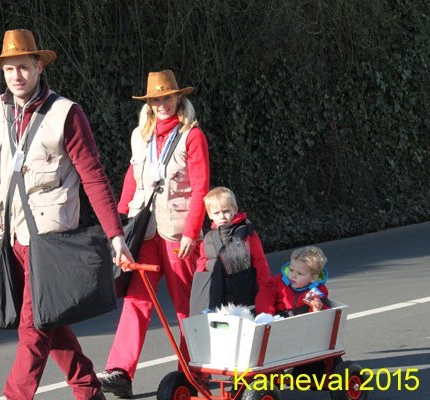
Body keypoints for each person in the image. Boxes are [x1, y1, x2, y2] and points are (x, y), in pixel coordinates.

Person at [0, 29, 131, 400]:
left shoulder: (66, 113)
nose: (16, 75)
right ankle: (88, 389)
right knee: (50, 318)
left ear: (39, 67)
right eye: (9, 68)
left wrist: (115, 236)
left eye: (23, 67)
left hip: (51, 239)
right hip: (10, 235)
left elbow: (93, 176)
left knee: (33, 328)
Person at [98, 70, 210, 398]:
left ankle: (193, 370)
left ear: (178, 98)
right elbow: (132, 178)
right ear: (148, 103)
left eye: (167, 97)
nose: (162, 104)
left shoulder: (192, 135)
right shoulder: (140, 135)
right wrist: (118, 225)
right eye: (155, 99)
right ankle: (120, 371)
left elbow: (201, 186)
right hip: (144, 230)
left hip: (178, 233)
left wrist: (191, 232)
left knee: (185, 305)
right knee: (136, 300)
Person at [190, 187, 272, 316]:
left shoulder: (246, 234)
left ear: (235, 209)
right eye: (216, 213)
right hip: (218, 296)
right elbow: (202, 267)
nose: (222, 216)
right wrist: (199, 296)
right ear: (210, 215)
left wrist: (265, 291)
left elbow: (260, 263)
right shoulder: (208, 239)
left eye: (226, 211)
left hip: (244, 294)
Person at [257, 246, 330, 317]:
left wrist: (319, 308)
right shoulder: (278, 282)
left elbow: (328, 311)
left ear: (313, 278)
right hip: (276, 318)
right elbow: (265, 296)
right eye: (291, 270)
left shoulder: (318, 290)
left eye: (299, 273)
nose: (293, 275)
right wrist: (267, 314)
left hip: (302, 322)